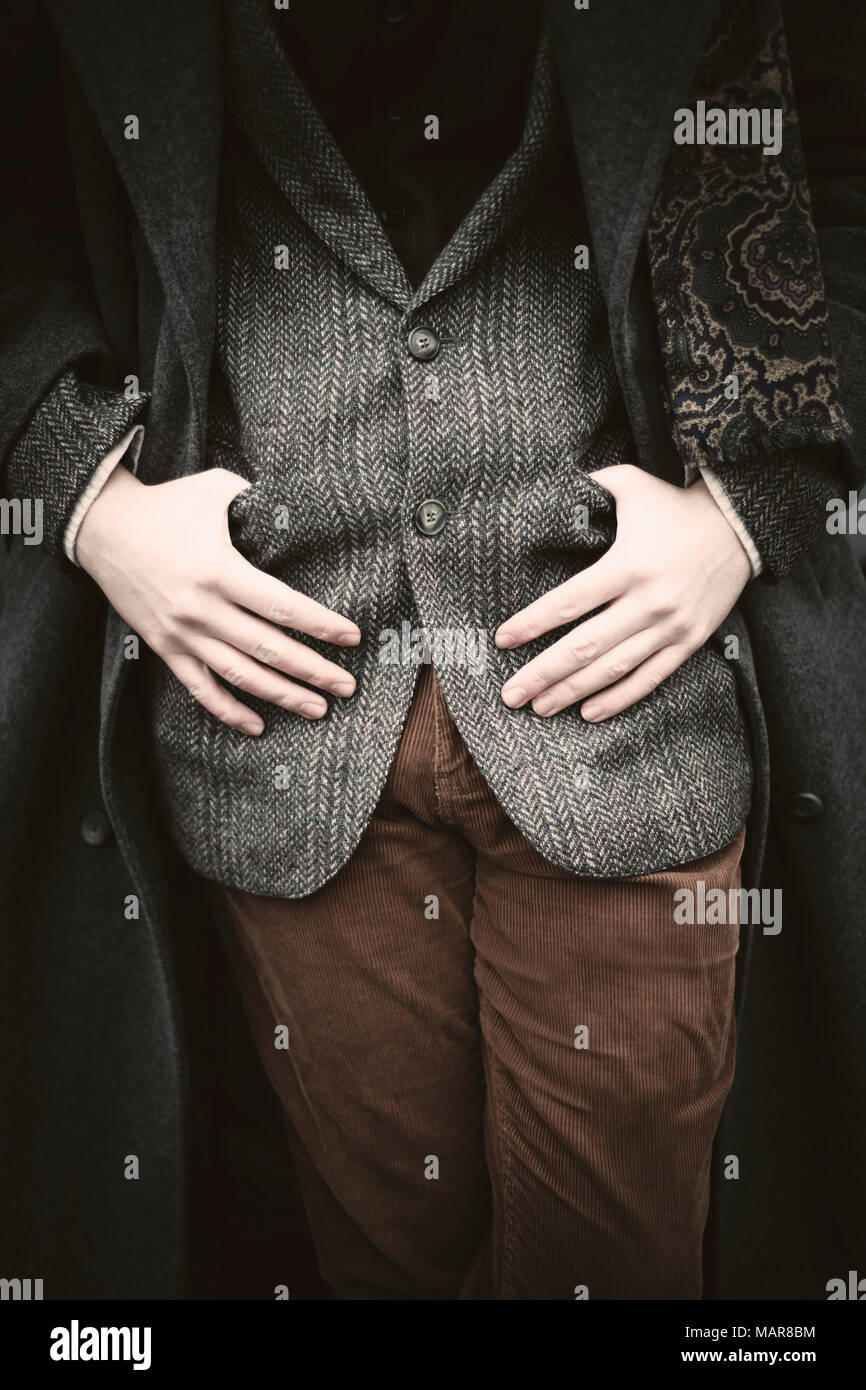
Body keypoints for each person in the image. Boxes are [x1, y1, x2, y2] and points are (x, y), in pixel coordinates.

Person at [1, 0, 864, 1300]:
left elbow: (845, 184)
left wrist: (746, 516)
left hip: (627, 720)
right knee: (384, 1267)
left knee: (612, 1263)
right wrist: (91, 503)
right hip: (272, 732)